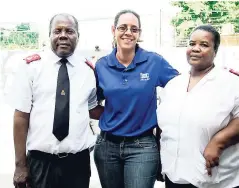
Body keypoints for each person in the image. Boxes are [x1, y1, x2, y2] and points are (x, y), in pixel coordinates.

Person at [12, 13, 103, 188]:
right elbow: (20, 117)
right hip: (41, 162)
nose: (63, 35)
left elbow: (92, 109)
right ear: (50, 36)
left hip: (78, 163)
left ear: (78, 36)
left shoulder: (88, 70)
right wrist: (20, 165)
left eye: (69, 31)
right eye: (57, 31)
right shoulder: (31, 68)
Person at [93, 9, 179, 188]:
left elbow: (182, 87)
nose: (128, 33)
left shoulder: (154, 62)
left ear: (139, 33)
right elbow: (92, 104)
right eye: (123, 27)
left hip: (142, 146)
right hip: (107, 146)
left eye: (134, 29)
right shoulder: (101, 66)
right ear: (113, 30)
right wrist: (116, 116)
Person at [157, 25, 239, 188]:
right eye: (192, 43)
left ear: (215, 51)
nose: (195, 48)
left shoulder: (231, 83)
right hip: (175, 176)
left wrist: (219, 141)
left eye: (204, 44)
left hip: (217, 180)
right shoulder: (173, 85)